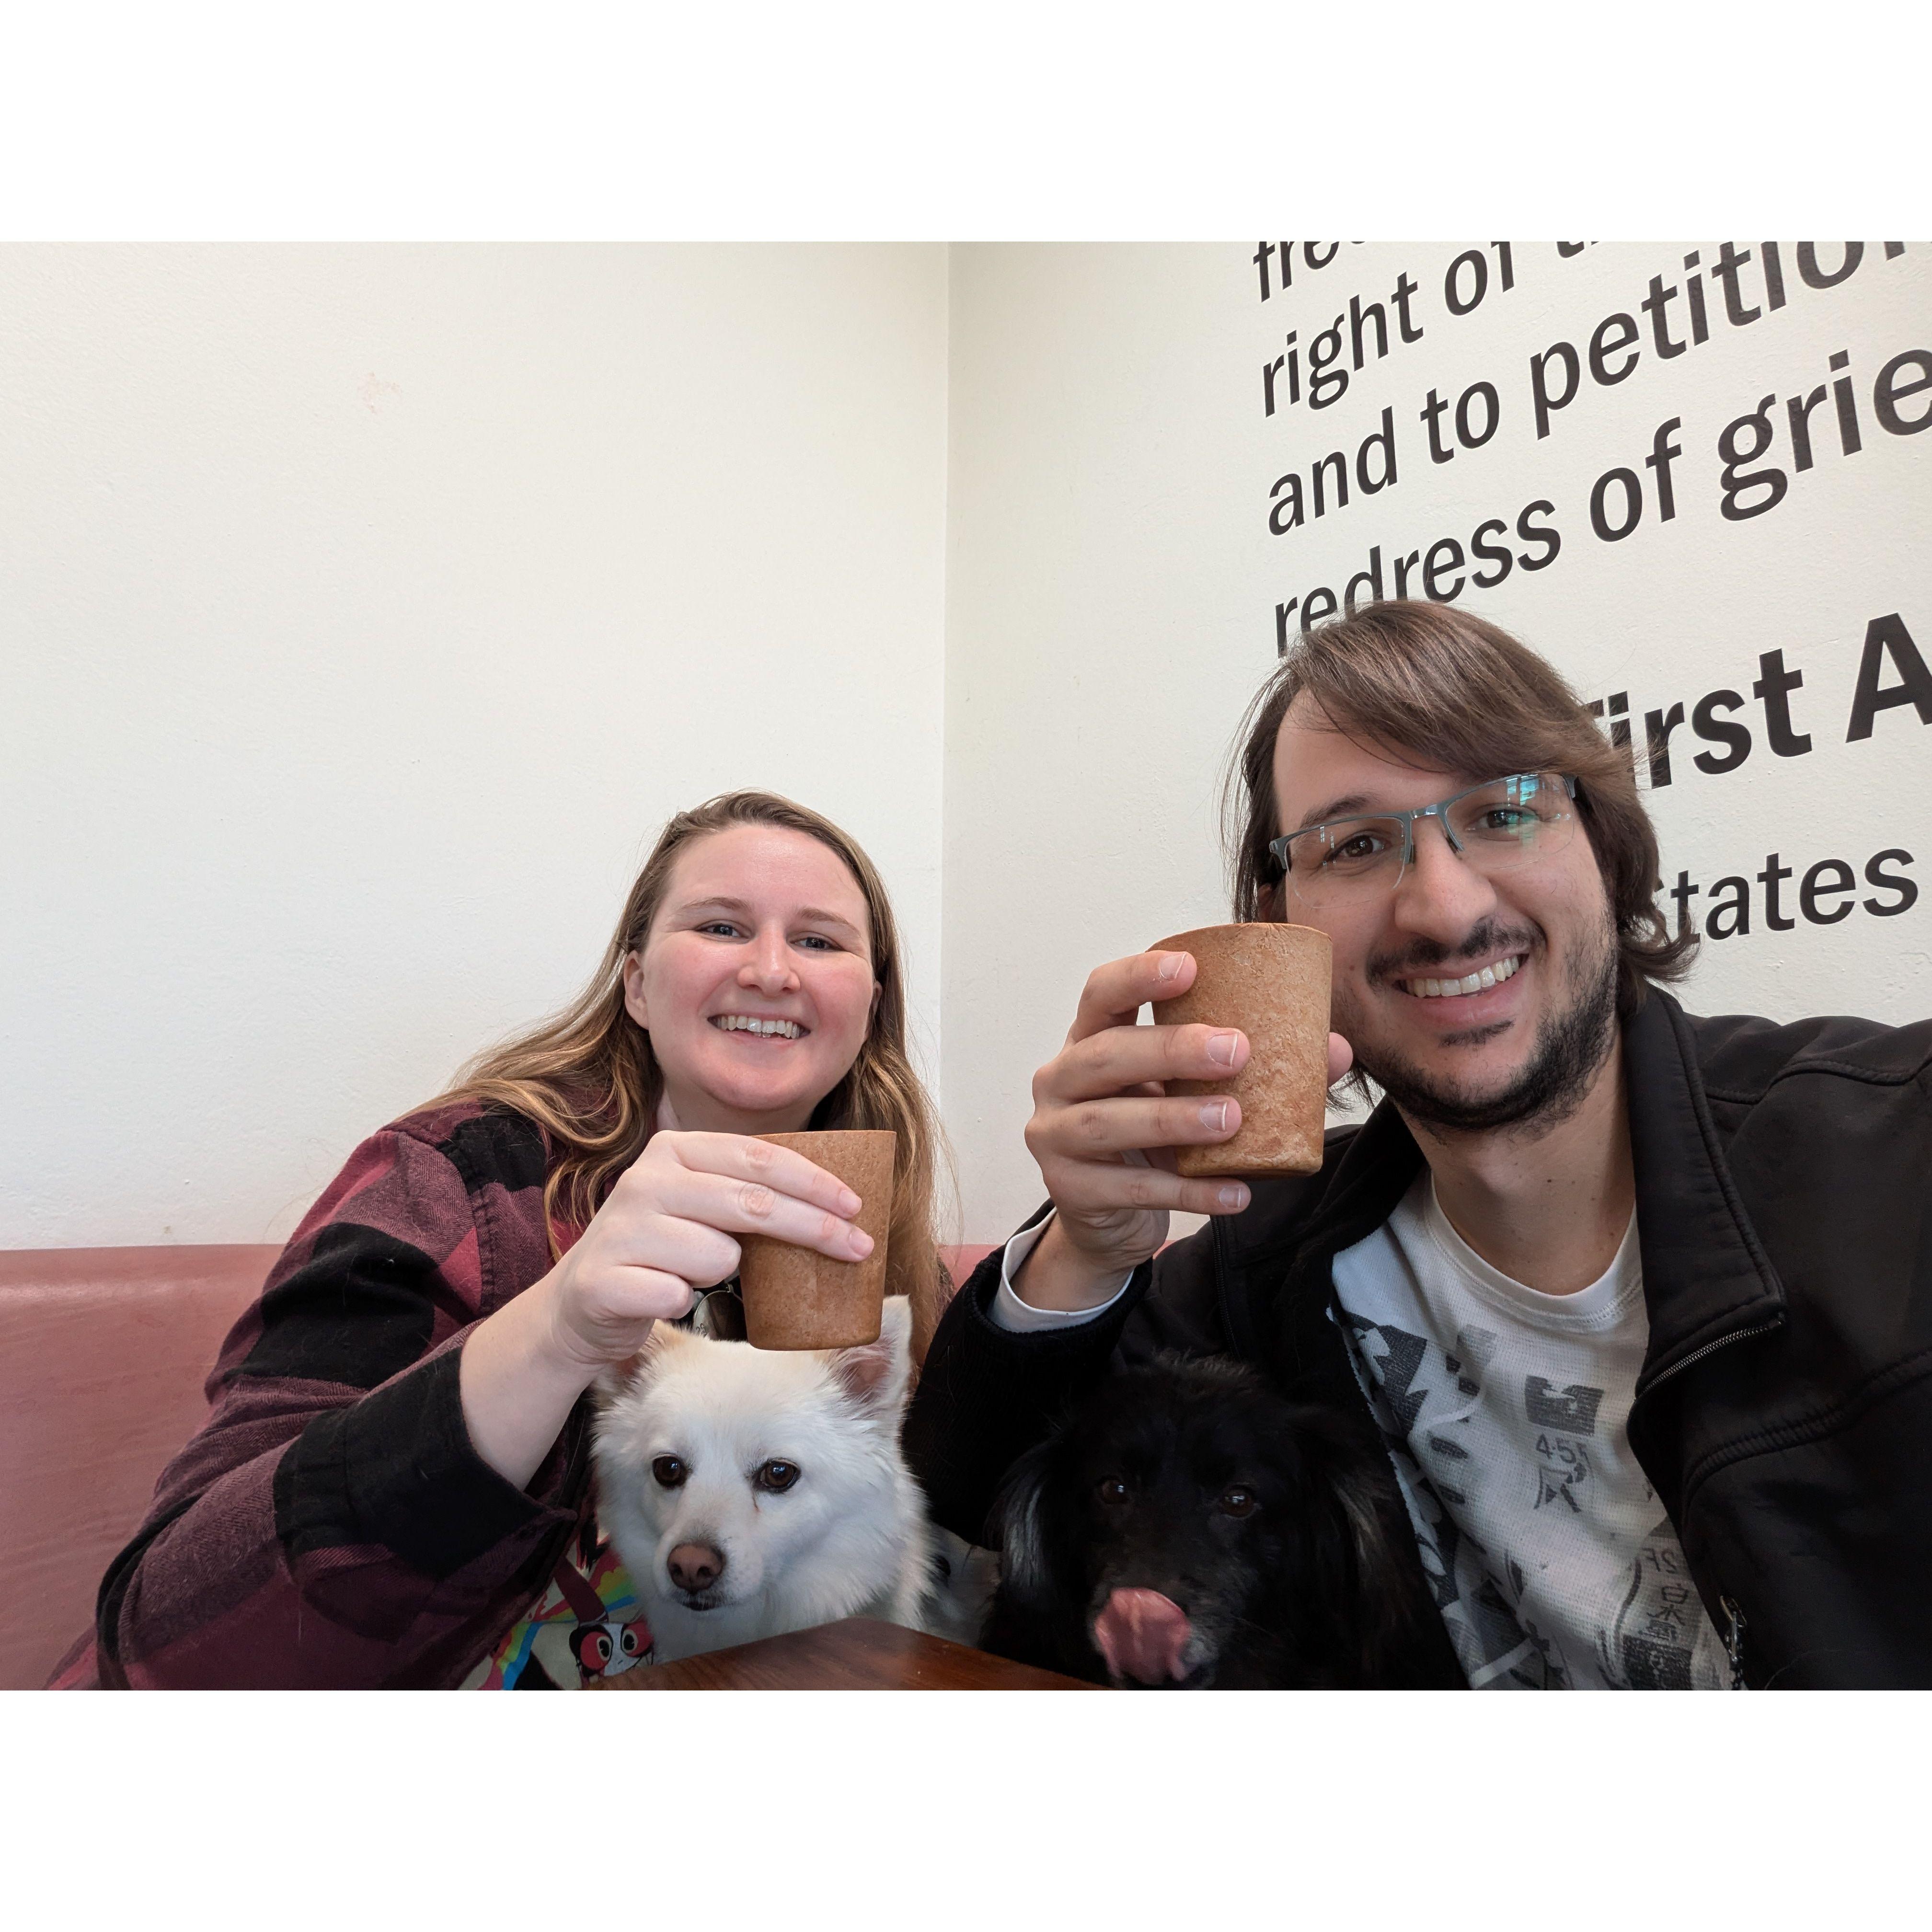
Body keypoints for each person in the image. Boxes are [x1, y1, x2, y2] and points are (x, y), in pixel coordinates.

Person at [905, 600, 1932, 1690]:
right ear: (1278, 925)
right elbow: (970, 1498)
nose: (1443, 908)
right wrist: (1087, 1244)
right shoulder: (1276, 1260)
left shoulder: (1891, 1154)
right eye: (1354, 844)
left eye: (1504, 810)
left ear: (1607, 842)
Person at [54, 791, 947, 1688]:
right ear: (636, 982)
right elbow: (168, 1636)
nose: (771, 970)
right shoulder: (452, 1182)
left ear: (870, 1003)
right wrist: (556, 1331)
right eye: (720, 927)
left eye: (820, 941)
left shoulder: (882, 1238)